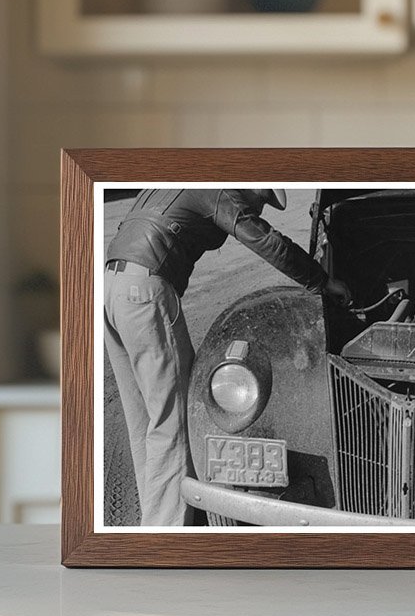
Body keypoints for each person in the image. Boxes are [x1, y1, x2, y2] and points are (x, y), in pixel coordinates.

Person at [104, 188, 352, 527]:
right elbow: (267, 241)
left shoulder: (176, 183)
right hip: (146, 290)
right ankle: (166, 536)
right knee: (175, 421)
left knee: (145, 420)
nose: (259, 207)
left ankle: (152, 520)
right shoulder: (220, 190)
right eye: (262, 199)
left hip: (111, 288)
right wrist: (322, 282)